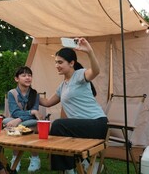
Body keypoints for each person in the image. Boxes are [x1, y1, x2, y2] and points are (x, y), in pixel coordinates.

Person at [39, 38, 108, 174]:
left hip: (96, 124)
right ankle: (74, 166)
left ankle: (69, 169)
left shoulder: (79, 75)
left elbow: (96, 71)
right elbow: (47, 102)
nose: (57, 65)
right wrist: (30, 93)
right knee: (58, 126)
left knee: (59, 125)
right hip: (80, 127)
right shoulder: (62, 86)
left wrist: (89, 51)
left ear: (71, 63)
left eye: (60, 62)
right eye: (56, 62)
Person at [2, 66, 42, 172]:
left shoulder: (35, 94)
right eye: (24, 75)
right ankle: (15, 158)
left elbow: (35, 115)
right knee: (8, 122)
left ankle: (35, 158)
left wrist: (19, 119)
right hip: (15, 119)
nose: (27, 78)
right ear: (16, 79)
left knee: (31, 124)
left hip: (29, 121)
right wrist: (30, 112)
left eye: (29, 75)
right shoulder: (12, 93)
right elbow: (14, 112)